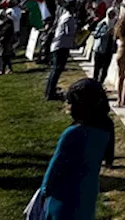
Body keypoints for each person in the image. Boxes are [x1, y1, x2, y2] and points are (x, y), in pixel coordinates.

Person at [38, 79, 114, 220]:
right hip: (88, 192)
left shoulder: (73, 133)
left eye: (70, 102)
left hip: (64, 197)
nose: (67, 105)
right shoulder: (106, 128)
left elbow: (56, 166)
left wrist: (44, 190)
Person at [45, 0, 79, 101]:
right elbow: (70, 32)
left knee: (54, 71)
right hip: (62, 46)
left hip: (57, 45)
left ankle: (49, 91)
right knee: (56, 70)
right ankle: (50, 93)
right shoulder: (69, 18)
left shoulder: (63, 16)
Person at [91, 8, 117, 85]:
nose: (111, 16)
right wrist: (106, 33)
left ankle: (101, 84)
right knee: (97, 68)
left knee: (105, 69)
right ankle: (94, 84)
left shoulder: (115, 24)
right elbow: (95, 34)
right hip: (100, 49)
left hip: (109, 50)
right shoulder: (103, 23)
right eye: (110, 14)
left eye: (113, 14)